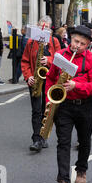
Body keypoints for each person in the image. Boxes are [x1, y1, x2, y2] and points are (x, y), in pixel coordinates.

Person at [46, 25, 92, 183]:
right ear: (71, 39)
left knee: (84, 141)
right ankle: (63, 181)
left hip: (84, 105)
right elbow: (50, 78)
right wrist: (49, 102)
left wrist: (77, 85)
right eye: (76, 41)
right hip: (64, 106)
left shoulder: (91, 59)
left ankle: (81, 170)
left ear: (87, 45)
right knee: (63, 143)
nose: (78, 46)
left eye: (83, 44)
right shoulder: (60, 56)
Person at [21, 15, 61, 152]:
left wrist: (49, 60)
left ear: (50, 29)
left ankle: (44, 136)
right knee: (36, 111)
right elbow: (25, 61)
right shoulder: (31, 42)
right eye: (41, 27)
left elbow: (60, 60)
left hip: (50, 81)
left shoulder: (55, 41)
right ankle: (36, 139)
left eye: (47, 28)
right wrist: (28, 77)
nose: (43, 29)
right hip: (35, 80)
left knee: (47, 110)